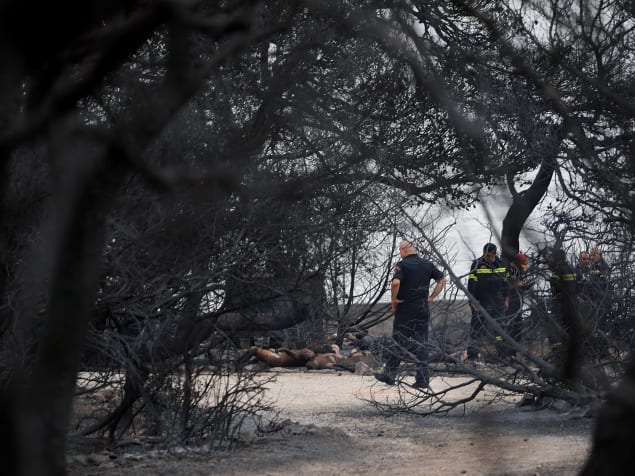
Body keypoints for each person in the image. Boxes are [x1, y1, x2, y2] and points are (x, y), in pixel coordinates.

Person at [374, 239, 446, 389]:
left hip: (406, 308)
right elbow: (442, 280)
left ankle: (390, 374)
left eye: (400, 251)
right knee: (422, 343)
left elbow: (395, 283)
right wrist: (432, 297)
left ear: (404, 250)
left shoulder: (402, 265)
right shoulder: (428, 264)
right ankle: (422, 380)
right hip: (422, 308)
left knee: (399, 341)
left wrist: (394, 299)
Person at [466, 243, 510, 362]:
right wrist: (472, 301)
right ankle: (473, 356)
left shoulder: (502, 264)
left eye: (489, 256)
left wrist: (506, 299)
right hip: (481, 302)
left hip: (498, 302)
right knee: (477, 330)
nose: (487, 258)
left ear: (495, 254)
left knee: (500, 330)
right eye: (485, 255)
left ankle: (503, 356)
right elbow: (471, 284)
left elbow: (506, 284)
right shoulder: (477, 264)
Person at [503, 252, 531, 358]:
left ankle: (513, 353)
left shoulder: (520, 271)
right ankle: (506, 354)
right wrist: (515, 284)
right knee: (509, 326)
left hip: (518, 302)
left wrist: (525, 285)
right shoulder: (506, 270)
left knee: (517, 328)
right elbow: (503, 286)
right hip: (509, 302)